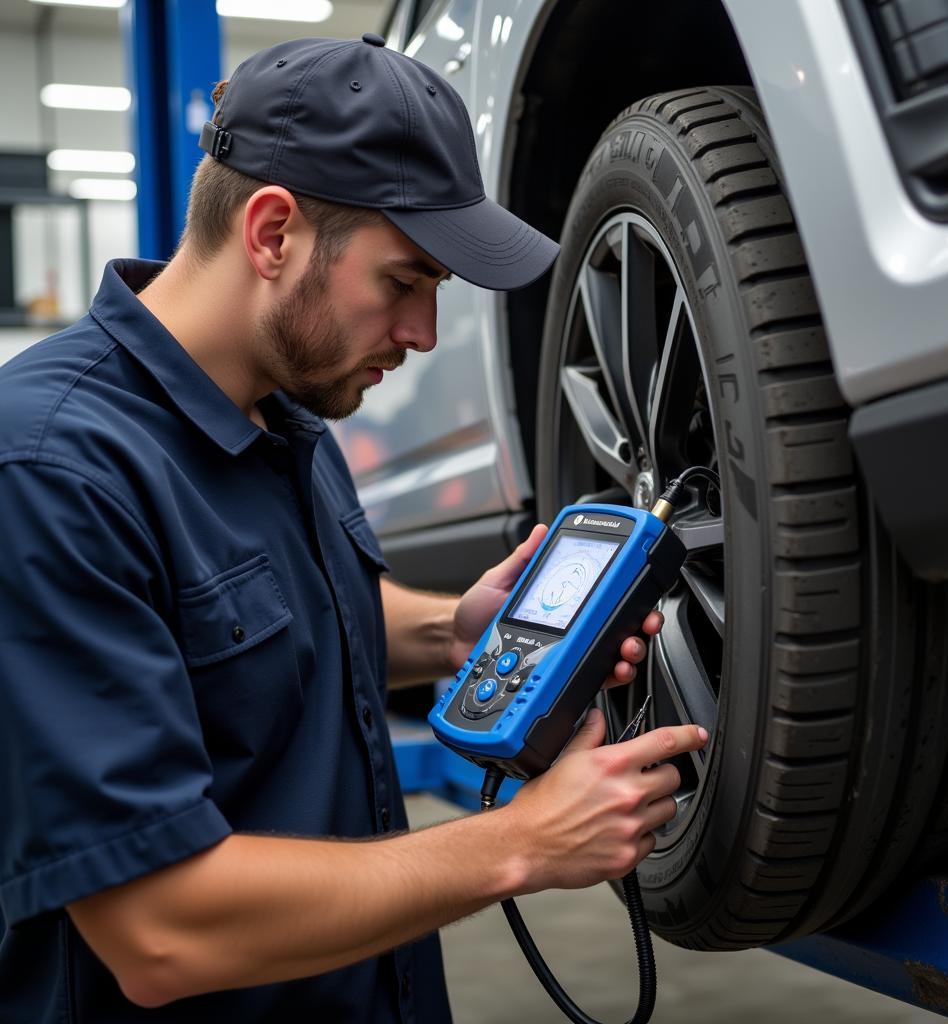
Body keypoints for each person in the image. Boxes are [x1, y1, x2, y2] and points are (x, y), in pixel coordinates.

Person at [0, 35, 707, 1023]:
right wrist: (523, 843)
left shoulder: (287, 411)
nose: (421, 332)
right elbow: (160, 928)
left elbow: (251, 616)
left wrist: (451, 628)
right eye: (403, 280)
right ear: (273, 231)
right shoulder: (49, 470)